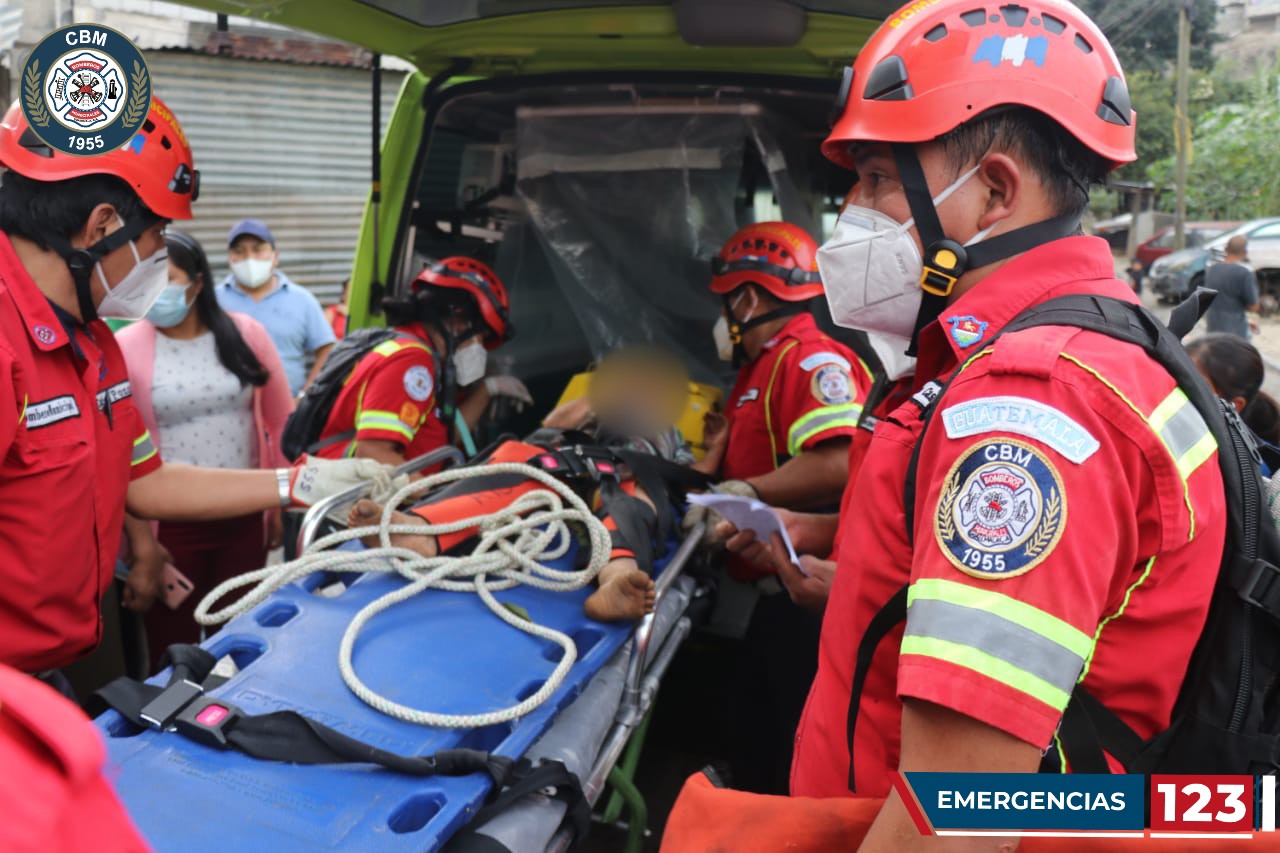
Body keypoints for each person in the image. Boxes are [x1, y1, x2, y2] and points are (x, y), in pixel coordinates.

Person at [791, 5, 1226, 848]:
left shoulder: (1032, 404)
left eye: (876, 179)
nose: (853, 211)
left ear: (993, 191)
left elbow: (958, 818)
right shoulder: (1079, 348)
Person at [0, 97, 398, 675]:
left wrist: (299, 482)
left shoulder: (93, 341)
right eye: (157, 233)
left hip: (63, 656)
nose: (161, 255)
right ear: (103, 226)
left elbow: (147, 481)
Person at [682, 221, 874, 796]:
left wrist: (751, 490)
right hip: (765, 594)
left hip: (801, 595)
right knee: (752, 735)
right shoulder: (761, 365)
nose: (722, 318)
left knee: (786, 749)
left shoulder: (810, 361)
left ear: (747, 298)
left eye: (726, 302)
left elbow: (837, 462)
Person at [117, 230, 295, 662]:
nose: (154, 291)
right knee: (174, 645)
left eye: (167, 278)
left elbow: (281, 422)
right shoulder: (125, 346)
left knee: (242, 636)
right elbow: (120, 454)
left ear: (197, 284)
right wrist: (141, 543)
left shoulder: (247, 335)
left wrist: (278, 505)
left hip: (244, 513)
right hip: (169, 526)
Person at [311, 257, 531, 466]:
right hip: (357, 490)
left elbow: (440, 436)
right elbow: (373, 453)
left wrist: (487, 390)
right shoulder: (411, 361)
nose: (479, 349)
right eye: (480, 338)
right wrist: (428, 488)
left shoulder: (427, 359)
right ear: (458, 323)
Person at [216, 218, 336, 396]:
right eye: (239, 251)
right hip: (228, 406)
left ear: (275, 257)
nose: (249, 259)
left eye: (258, 249)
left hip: (289, 406)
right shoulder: (214, 299)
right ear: (230, 258)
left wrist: (306, 396)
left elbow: (326, 350)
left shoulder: (302, 299)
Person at [1187, 332, 1280, 447]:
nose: (1178, 387)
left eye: (1195, 386)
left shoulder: (1236, 455)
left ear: (1234, 405)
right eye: (1177, 375)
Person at [1204, 235, 1260, 339]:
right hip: (1235, 334)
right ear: (1245, 252)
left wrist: (1247, 321)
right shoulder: (1245, 273)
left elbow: (1221, 302)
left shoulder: (1212, 270)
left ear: (1226, 249)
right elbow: (1254, 306)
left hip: (1212, 331)